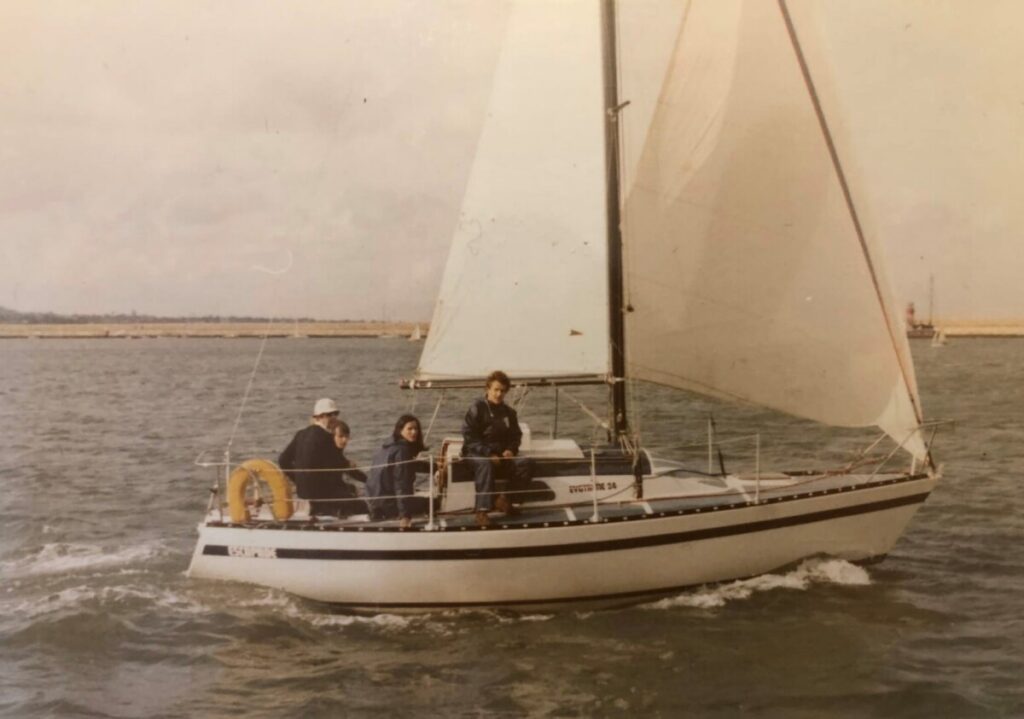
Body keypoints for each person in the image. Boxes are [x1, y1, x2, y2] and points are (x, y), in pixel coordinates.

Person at [461, 370, 530, 527]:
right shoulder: (477, 408)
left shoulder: (509, 413)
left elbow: (516, 436)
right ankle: (482, 511)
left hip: (500, 455)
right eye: (496, 390)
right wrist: (489, 453)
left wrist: (511, 450)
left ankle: (505, 500)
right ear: (488, 389)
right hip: (475, 454)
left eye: (502, 391)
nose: (499, 394)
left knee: (526, 463)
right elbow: (469, 437)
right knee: (485, 464)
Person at [278, 398, 363, 517]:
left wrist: (298, 480)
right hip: (322, 495)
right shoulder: (326, 437)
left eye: (335, 414)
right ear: (318, 417)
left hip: (303, 493)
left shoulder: (301, 434)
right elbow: (342, 465)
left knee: (348, 490)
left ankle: (323, 509)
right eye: (329, 415)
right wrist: (368, 480)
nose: (334, 417)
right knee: (362, 506)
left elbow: (283, 461)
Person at [367, 414, 426, 528]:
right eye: (410, 429)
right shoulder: (403, 451)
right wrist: (405, 515)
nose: (414, 432)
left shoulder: (389, 446)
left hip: (374, 502)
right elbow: (401, 484)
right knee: (434, 503)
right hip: (389, 505)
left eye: (416, 429)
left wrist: (434, 467)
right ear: (400, 430)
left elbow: (409, 466)